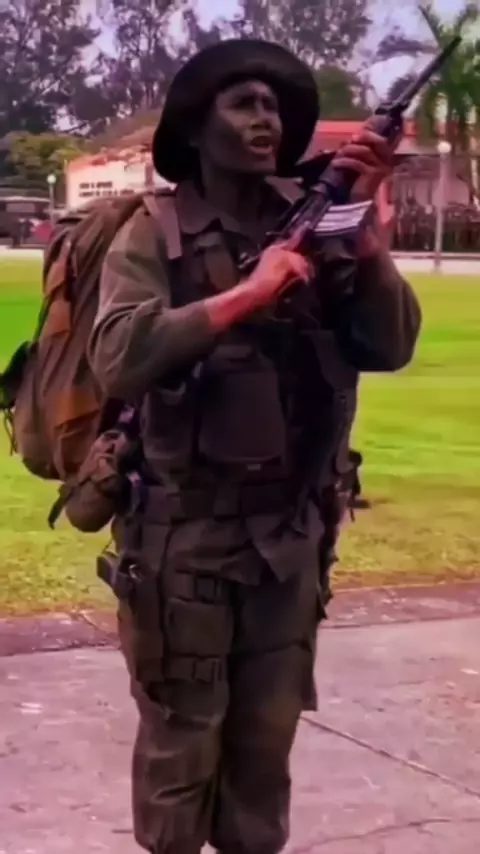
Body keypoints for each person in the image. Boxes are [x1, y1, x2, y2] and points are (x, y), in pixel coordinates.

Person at [88, 38, 421, 854]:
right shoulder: (153, 231)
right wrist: (248, 294)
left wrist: (364, 237)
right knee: (182, 752)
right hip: (185, 545)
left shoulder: (315, 216)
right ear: (196, 129)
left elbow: (390, 345)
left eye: (272, 106)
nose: (264, 119)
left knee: (264, 755)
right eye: (242, 104)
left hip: (290, 543)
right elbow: (119, 357)